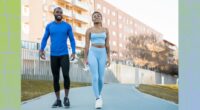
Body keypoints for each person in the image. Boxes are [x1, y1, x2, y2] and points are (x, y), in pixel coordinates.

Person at [39, 7, 76, 108]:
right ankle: (58, 100)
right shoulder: (49, 26)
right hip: (53, 55)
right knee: (55, 78)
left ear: (62, 14)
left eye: (61, 12)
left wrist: (73, 51)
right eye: (57, 12)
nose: (59, 13)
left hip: (64, 54)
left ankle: (66, 98)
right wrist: (41, 49)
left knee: (66, 75)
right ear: (54, 13)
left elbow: (72, 40)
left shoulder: (67, 26)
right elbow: (45, 38)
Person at [84, 11, 111, 109]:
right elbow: (86, 46)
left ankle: (99, 95)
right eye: (94, 16)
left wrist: (109, 57)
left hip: (103, 53)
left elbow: (107, 45)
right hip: (93, 53)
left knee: (101, 78)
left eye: (98, 15)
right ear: (92, 19)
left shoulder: (106, 30)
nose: (96, 17)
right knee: (95, 77)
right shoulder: (89, 30)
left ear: (101, 18)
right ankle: (97, 99)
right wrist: (85, 59)